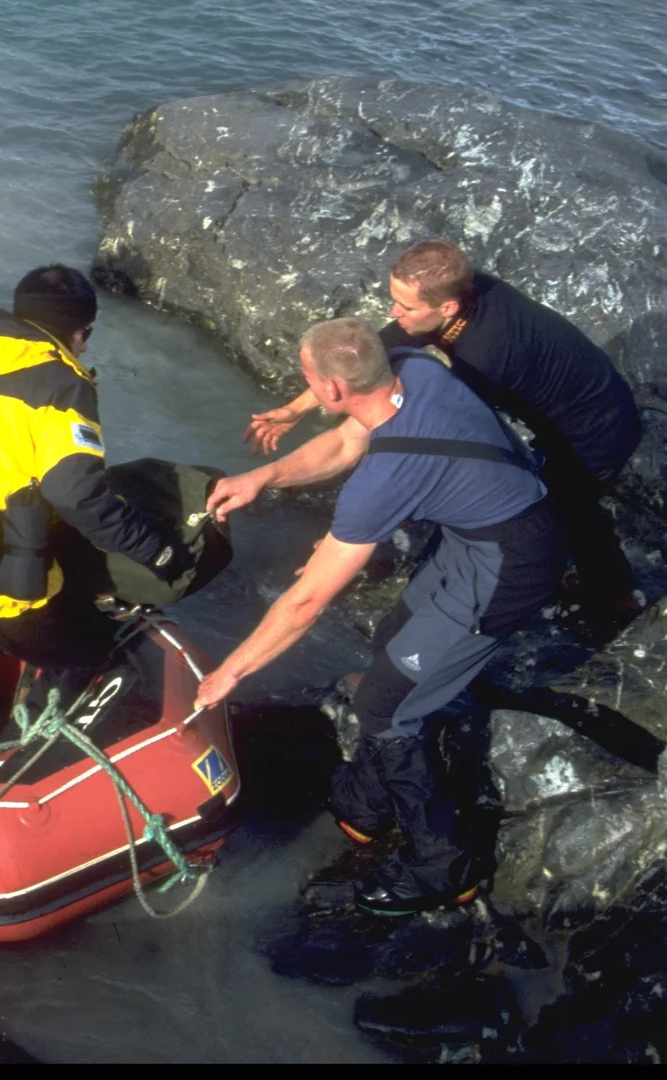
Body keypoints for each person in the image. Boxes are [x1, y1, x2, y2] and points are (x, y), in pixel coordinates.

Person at [199, 317, 564, 914]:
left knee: (387, 707)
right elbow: (345, 443)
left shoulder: (385, 479)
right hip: (481, 531)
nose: (308, 387)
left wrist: (231, 673)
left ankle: (443, 866)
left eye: (310, 379)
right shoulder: (415, 369)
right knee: (395, 637)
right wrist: (262, 476)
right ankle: (367, 803)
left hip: (511, 565)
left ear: (333, 390)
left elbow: (306, 601)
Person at [245, 240, 641, 632]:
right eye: (393, 299)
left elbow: (455, 447)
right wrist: (294, 410)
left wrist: (369, 528)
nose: (393, 311)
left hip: (594, 430)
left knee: (565, 509)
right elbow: (374, 354)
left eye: (405, 306)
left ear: (447, 307)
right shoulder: (456, 295)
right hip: (577, 399)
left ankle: (612, 597)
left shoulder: (484, 354)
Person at [0, 265, 187, 742]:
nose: (85, 346)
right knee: (92, 656)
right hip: (7, 586)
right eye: (86, 334)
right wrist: (157, 551)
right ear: (78, 331)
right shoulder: (62, 384)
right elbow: (77, 495)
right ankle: (31, 751)